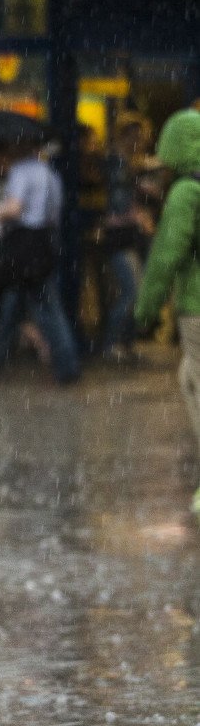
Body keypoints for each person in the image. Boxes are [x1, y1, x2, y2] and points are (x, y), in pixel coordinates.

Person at [0, 145, 82, 384]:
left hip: (24, 247)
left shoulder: (21, 171)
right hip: (45, 243)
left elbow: (15, 209)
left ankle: (67, 365)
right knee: (17, 306)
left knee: (43, 309)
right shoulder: (50, 173)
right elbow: (54, 213)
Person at [135, 108, 200, 512]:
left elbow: (166, 256)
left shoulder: (186, 193)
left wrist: (146, 309)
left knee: (196, 385)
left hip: (197, 307)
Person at [98, 116, 152, 363]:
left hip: (123, 236)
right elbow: (119, 207)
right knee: (132, 291)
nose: (139, 142)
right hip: (120, 236)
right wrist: (138, 215)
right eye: (137, 137)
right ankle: (112, 344)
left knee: (133, 291)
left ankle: (124, 345)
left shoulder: (122, 164)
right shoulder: (118, 164)